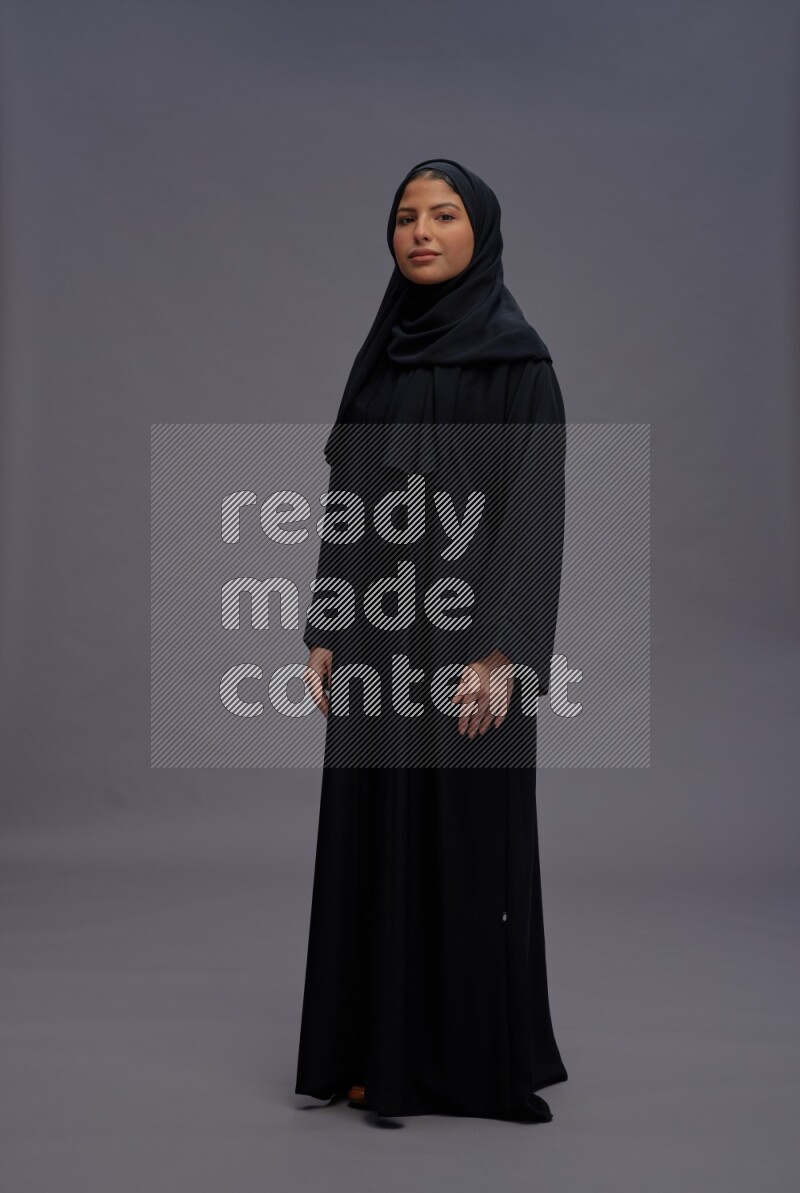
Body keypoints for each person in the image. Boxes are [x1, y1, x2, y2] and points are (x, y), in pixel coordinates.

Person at [294, 158, 568, 1122]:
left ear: (479, 231)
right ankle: (377, 1051)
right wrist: (326, 626)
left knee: (463, 842)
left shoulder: (519, 365)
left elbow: (535, 515)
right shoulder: (382, 360)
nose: (420, 231)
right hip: (376, 646)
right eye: (405, 216)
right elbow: (348, 503)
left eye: (443, 215)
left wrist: (503, 656)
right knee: (376, 838)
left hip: (468, 649)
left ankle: (461, 1059)